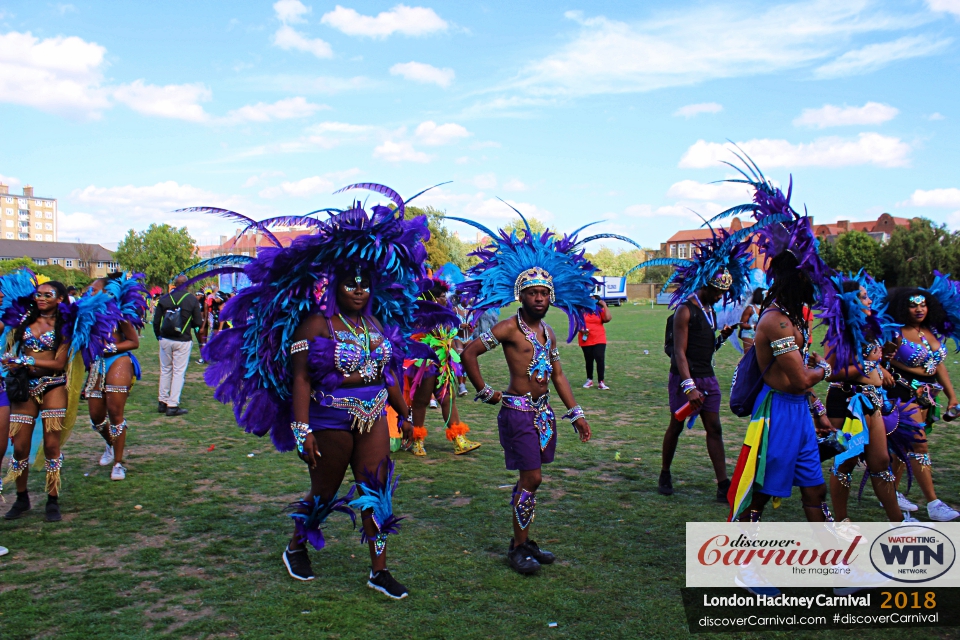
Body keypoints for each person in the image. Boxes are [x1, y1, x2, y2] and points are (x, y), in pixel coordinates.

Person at [200, 183, 429, 599]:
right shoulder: (316, 325)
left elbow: (388, 373)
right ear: (337, 286)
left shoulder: (377, 325)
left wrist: (407, 413)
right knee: (324, 493)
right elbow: (301, 378)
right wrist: (302, 430)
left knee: (376, 490)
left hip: (374, 415)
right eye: (350, 283)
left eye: (364, 284)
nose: (358, 289)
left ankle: (379, 570)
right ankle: (296, 545)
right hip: (329, 418)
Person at [455, 213, 602, 575]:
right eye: (531, 293)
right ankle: (518, 548)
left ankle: (523, 542)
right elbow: (468, 352)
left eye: (543, 294)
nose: (538, 299)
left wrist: (576, 412)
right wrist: (485, 392)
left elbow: (559, 374)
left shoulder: (549, 333)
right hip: (517, 413)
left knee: (530, 479)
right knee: (532, 478)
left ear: (551, 297)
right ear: (520, 296)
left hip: (544, 414)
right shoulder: (508, 327)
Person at [723, 160, 835, 523]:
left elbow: (801, 382)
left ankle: (830, 568)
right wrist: (824, 368)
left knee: (815, 489)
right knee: (761, 492)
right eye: (810, 280)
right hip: (777, 414)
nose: (816, 287)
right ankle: (745, 566)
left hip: (798, 411)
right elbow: (801, 378)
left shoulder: (793, 318)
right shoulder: (777, 322)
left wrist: (816, 410)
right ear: (795, 280)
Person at [631, 224, 754, 501]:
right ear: (705, 285)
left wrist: (720, 338)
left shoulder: (709, 309)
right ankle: (665, 471)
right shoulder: (685, 310)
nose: (721, 296)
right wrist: (688, 387)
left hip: (707, 378)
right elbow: (679, 352)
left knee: (715, 428)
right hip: (685, 380)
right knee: (676, 425)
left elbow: (702, 349)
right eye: (717, 291)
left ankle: (723, 485)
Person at [821, 273, 905, 523]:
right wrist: (866, 367)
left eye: (868, 296)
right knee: (844, 463)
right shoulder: (839, 331)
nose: (869, 301)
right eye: (863, 297)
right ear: (849, 302)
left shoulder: (871, 328)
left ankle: (897, 523)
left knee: (880, 462)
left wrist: (883, 364)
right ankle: (842, 522)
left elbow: (873, 363)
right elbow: (829, 372)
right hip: (846, 403)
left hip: (872, 402)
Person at [3, 279, 78, 522]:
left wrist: (27, 361)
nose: (42, 298)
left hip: (53, 386)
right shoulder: (23, 321)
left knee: (51, 446)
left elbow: (58, 363)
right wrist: (11, 360)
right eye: (38, 294)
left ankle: (52, 500)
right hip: (24, 387)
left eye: (48, 294)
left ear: (60, 299)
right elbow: (10, 347)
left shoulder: (65, 325)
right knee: (20, 447)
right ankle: (22, 497)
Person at [886, 277, 960, 522]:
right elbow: (882, 361)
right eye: (912, 305)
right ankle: (933, 503)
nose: (919, 309)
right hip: (900, 395)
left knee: (902, 450)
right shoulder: (893, 333)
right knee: (919, 446)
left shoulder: (932, 330)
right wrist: (918, 372)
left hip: (926, 399)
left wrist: (952, 396)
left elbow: (939, 366)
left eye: (923, 304)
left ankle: (892, 495)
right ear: (901, 307)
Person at [75, 273, 148, 481]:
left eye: (95, 290)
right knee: (97, 418)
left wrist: (112, 347)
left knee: (115, 413)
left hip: (119, 361)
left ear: (109, 292)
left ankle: (118, 463)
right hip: (96, 364)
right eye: (90, 290)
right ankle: (110, 443)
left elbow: (134, 342)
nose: (91, 293)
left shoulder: (119, 314)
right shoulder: (85, 315)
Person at [405, 278, 481, 456]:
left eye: (445, 295)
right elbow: (415, 339)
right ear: (431, 298)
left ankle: (458, 439)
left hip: (445, 362)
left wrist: (455, 357)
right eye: (441, 296)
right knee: (421, 402)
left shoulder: (446, 314)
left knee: (448, 399)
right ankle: (417, 440)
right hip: (426, 364)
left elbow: (451, 338)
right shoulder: (420, 316)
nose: (445, 298)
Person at [153, 276, 202, 417]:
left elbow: (156, 321)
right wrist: (187, 324)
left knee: (165, 370)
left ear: (175, 284)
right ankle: (172, 405)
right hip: (182, 339)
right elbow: (198, 322)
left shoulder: (164, 298)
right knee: (178, 372)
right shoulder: (192, 299)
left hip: (165, 338)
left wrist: (158, 335)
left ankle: (162, 401)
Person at [579, 294, 611, 390]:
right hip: (586, 338)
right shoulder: (581, 310)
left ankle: (601, 382)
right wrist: (582, 330)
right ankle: (589, 380)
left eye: (594, 300)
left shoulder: (599, 310)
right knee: (589, 360)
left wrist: (604, 305)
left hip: (599, 337)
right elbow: (576, 323)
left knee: (600, 358)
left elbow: (607, 318)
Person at [737, 288, 764, 352]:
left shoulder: (766, 308)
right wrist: (752, 326)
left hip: (760, 335)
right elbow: (741, 324)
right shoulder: (750, 308)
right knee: (749, 355)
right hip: (749, 334)